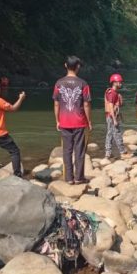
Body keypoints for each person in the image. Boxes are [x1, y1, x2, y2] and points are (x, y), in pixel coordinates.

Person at [53, 56, 92, 184]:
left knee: (67, 150)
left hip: (64, 122)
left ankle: (69, 178)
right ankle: (79, 177)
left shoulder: (59, 83)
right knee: (79, 151)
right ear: (78, 67)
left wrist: (57, 120)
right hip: (79, 122)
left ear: (65, 65)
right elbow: (86, 104)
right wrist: (89, 121)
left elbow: (56, 104)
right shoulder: (83, 83)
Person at [104, 73, 130, 159]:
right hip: (112, 116)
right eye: (119, 82)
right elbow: (111, 106)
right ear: (114, 82)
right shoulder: (112, 93)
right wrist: (114, 119)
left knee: (110, 134)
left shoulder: (113, 92)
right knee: (117, 133)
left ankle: (108, 153)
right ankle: (122, 152)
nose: (120, 84)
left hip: (109, 116)